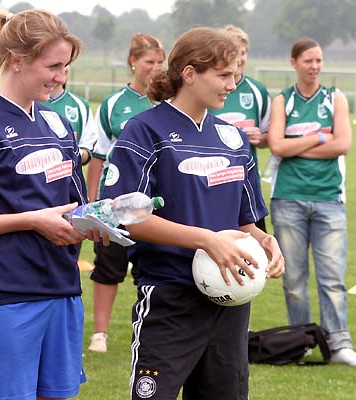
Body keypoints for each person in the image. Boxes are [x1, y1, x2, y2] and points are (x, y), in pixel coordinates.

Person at [102, 27, 284, 399]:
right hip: (170, 299)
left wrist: (264, 240)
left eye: (235, 74)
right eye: (223, 75)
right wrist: (205, 240)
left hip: (231, 302)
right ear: (189, 73)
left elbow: (244, 222)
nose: (232, 84)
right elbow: (123, 214)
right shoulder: (144, 131)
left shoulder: (233, 138)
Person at [0, 9, 95, 400]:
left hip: (63, 289)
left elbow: (75, 204)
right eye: (53, 66)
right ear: (17, 60)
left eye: (65, 67)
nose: (61, 78)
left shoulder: (59, 124)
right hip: (3, 295)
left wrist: (99, 221)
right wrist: (31, 220)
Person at [267, 37, 356, 366]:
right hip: (288, 199)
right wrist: (319, 137)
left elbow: (342, 144)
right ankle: (300, 342)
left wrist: (296, 146)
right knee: (294, 281)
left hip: (329, 200)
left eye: (319, 60)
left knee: (332, 279)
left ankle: (338, 344)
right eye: (308, 60)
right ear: (294, 63)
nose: (315, 66)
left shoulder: (335, 99)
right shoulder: (283, 101)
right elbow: (277, 146)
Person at [87, 33, 165, 353]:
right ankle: (100, 334)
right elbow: (98, 155)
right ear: (133, 62)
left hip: (157, 199)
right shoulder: (114, 104)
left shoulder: (169, 102)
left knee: (157, 266)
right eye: (149, 62)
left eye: (160, 62)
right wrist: (93, 201)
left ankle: (154, 331)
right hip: (117, 199)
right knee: (109, 265)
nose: (155, 68)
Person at [209, 25, 271, 232]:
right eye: (236, 53)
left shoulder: (257, 91)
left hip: (246, 186)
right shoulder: (207, 89)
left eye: (243, 53)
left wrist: (260, 138)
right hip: (211, 184)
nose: (240, 59)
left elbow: (269, 138)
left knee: (254, 244)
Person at [40, 66, 94, 165]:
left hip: (68, 173)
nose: (64, 68)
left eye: (66, 64)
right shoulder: (28, 102)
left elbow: (88, 149)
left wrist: (73, 154)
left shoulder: (80, 105)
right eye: (55, 64)